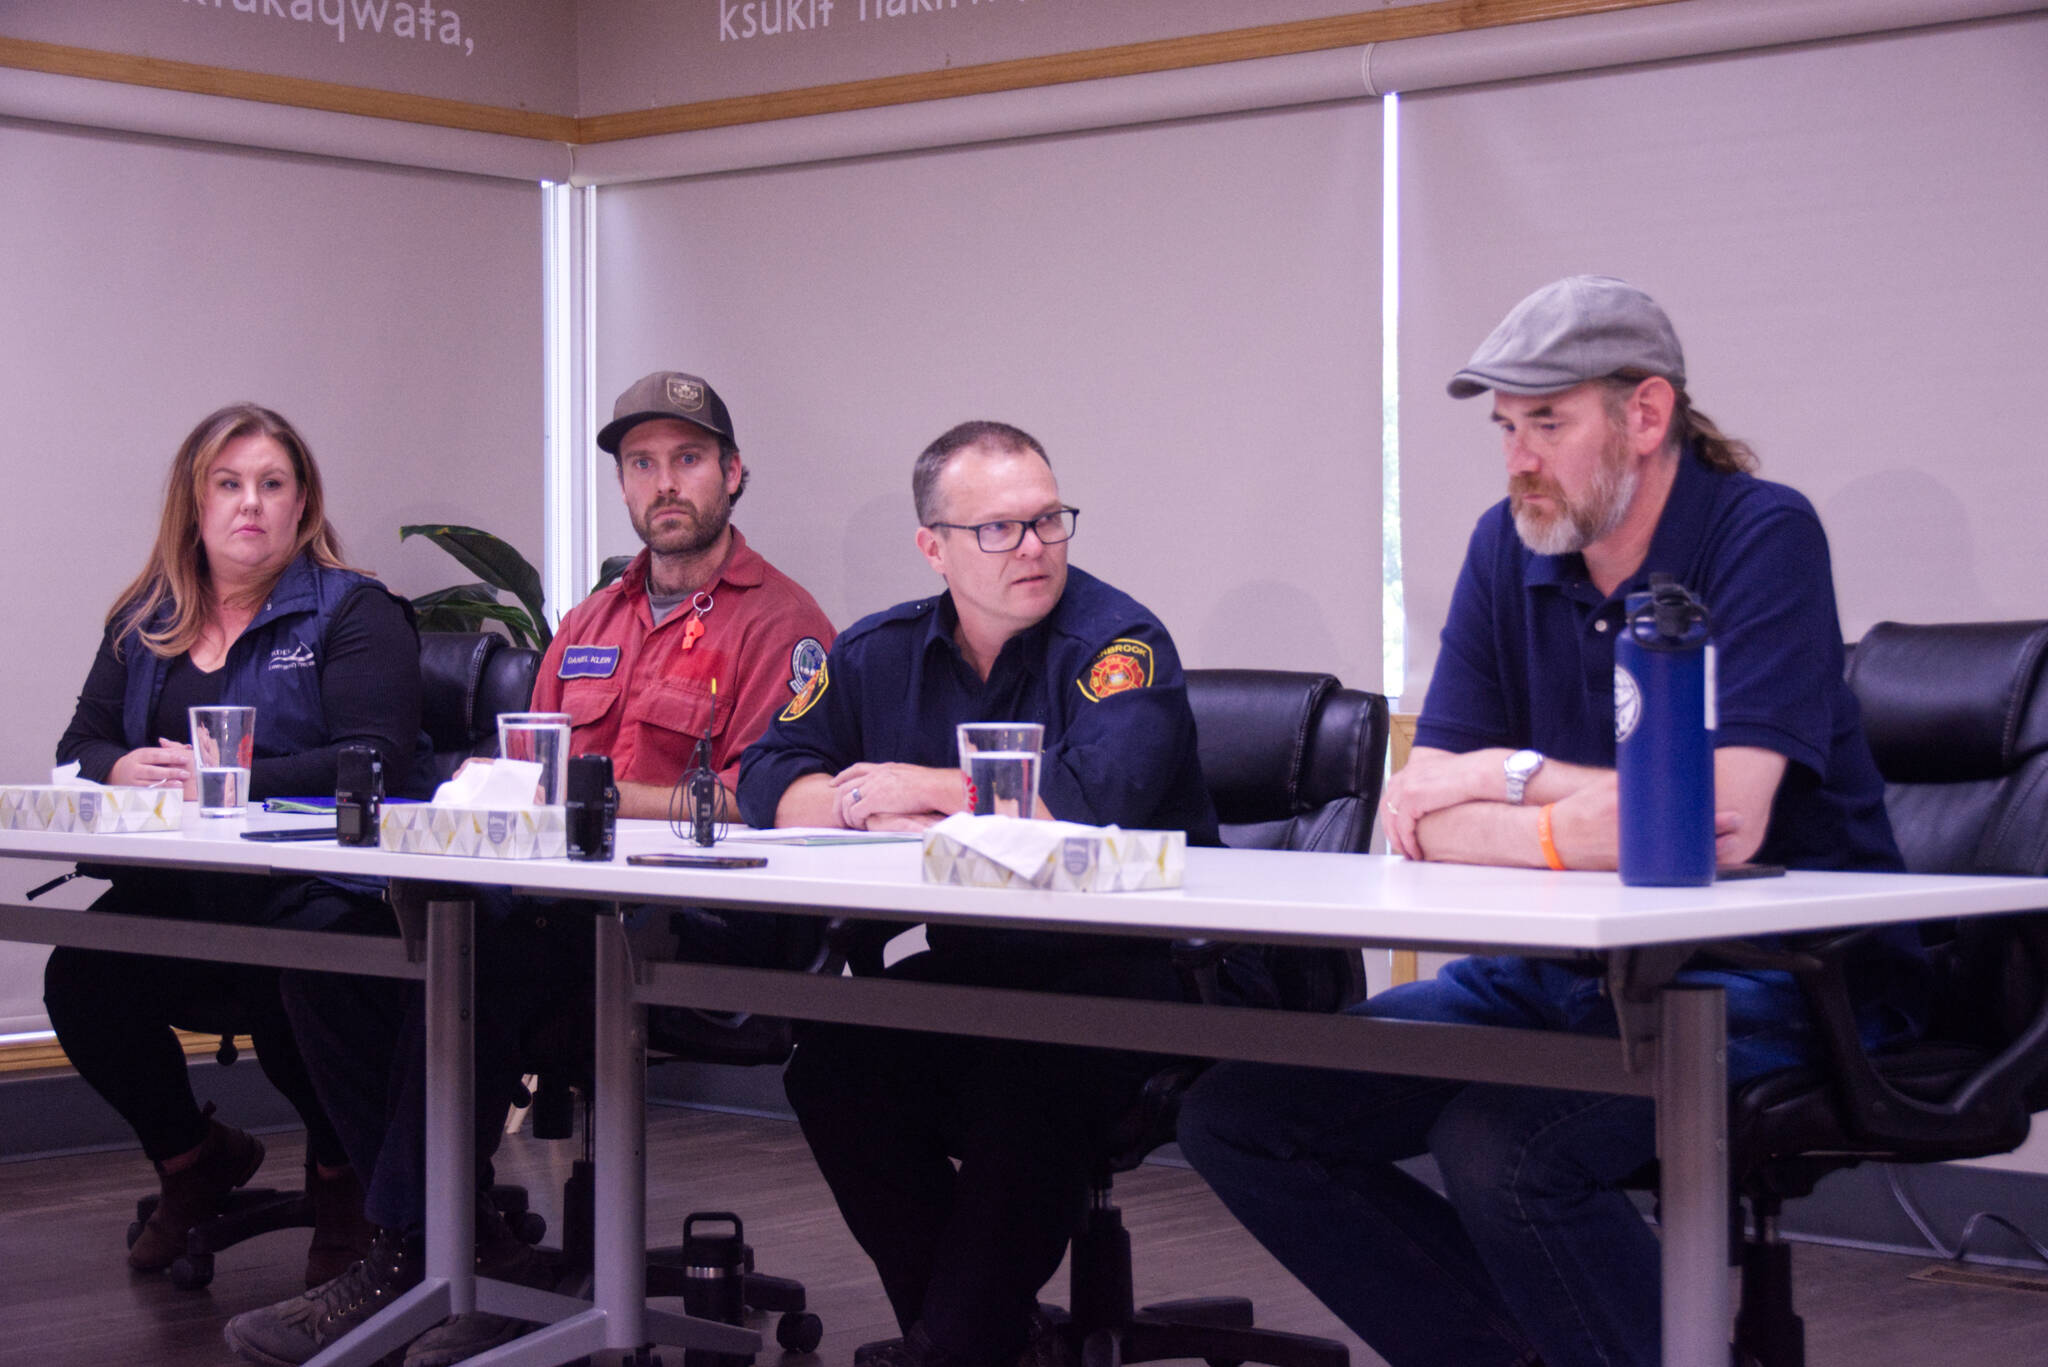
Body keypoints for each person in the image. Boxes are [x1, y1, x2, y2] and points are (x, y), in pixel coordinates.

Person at [1176, 276, 1925, 1367]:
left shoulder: (1761, 533)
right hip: (1558, 975)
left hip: (1776, 976)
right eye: (1504, 426)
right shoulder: (1507, 543)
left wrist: (1509, 773)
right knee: (1240, 1113)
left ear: (1646, 414)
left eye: (1547, 421)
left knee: (1504, 1143)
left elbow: (1711, 817)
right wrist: (1569, 810)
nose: (1518, 455)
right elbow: (1420, 810)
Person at [226, 370, 835, 1367]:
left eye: (685, 458)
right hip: (561, 910)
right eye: (640, 463)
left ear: (732, 473)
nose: (662, 481)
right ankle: (462, 1248)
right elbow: (524, 779)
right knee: (330, 952)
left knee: (482, 963)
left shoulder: (782, 624)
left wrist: (589, 797)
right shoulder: (592, 621)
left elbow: (766, 800)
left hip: (699, 929)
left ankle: (415, 1260)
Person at [739, 420, 1237, 1367]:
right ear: (934, 547)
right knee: (832, 1062)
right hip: (980, 963)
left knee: (1027, 1075)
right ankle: (986, 1341)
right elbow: (767, 774)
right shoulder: (879, 652)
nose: (1036, 547)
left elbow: (1096, 803)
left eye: (1049, 520)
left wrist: (920, 786)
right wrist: (856, 806)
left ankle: (955, 1347)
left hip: (1136, 971)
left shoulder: (1119, 645)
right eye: (1000, 529)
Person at [45, 402, 434, 1288]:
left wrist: (229, 775)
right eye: (228, 484)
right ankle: (192, 1165)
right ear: (195, 502)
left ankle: (344, 1187)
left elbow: (375, 758)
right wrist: (123, 764)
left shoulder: (355, 611)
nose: (249, 504)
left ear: (302, 505)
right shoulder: (146, 618)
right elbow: (79, 746)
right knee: (81, 973)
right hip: (186, 894)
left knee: (309, 975)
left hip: (315, 895)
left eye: (271, 484)